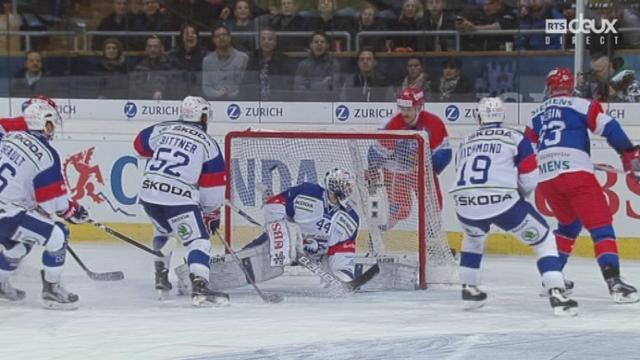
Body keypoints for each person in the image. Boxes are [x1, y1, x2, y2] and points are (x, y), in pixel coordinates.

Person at [450, 97, 578, 316]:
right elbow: (529, 175)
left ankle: (469, 289)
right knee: (544, 239)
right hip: (502, 202)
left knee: (473, 238)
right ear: (502, 115)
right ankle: (556, 292)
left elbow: (459, 170)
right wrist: (521, 196)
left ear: (479, 117)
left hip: (464, 203)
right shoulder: (515, 137)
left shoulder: (467, 140)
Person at [526, 67, 640, 303]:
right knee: (601, 228)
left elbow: (527, 149)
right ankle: (615, 283)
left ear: (549, 87)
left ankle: (552, 279)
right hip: (576, 175)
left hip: (547, 179)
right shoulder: (581, 104)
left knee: (568, 225)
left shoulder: (536, 113)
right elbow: (611, 129)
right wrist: (629, 155)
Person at [132, 96, 229, 307]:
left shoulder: (164, 128)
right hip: (178, 197)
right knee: (199, 241)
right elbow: (212, 185)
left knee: (163, 233)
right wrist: (211, 212)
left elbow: (139, 145)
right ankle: (200, 288)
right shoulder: (208, 143)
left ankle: (161, 280)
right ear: (203, 116)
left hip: (149, 193)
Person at [201, 168, 359, 290]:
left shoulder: (350, 218)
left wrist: (343, 278)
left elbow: (342, 250)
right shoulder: (308, 192)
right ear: (335, 187)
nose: (350, 191)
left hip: (318, 255)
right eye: (347, 186)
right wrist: (284, 233)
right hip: (284, 243)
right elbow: (275, 203)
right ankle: (206, 274)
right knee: (251, 256)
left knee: (335, 272)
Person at [0, 102, 89, 309]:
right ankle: (52, 290)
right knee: (58, 235)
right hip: (7, 214)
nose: (53, 128)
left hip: (7, 211)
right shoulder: (47, 154)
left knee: (19, 246)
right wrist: (73, 211)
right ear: (43, 123)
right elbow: (53, 202)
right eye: (51, 123)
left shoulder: (9, 137)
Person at [366, 87, 451, 230]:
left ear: (419, 107)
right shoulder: (393, 125)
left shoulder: (434, 123)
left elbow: (445, 153)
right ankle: (381, 231)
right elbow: (376, 153)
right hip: (396, 170)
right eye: (402, 108)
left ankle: (431, 238)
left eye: (409, 108)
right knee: (402, 210)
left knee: (434, 204)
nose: (405, 113)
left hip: (422, 170)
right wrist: (373, 170)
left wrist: (428, 163)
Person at [201, 24, 249, 100]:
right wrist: (218, 94)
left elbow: (245, 86)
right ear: (213, 40)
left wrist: (230, 95)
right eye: (217, 36)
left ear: (230, 37)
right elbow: (206, 87)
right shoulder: (207, 61)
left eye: (224, 35)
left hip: (238, 102)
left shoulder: (243, 58)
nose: (221, 38)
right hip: (214, 102)